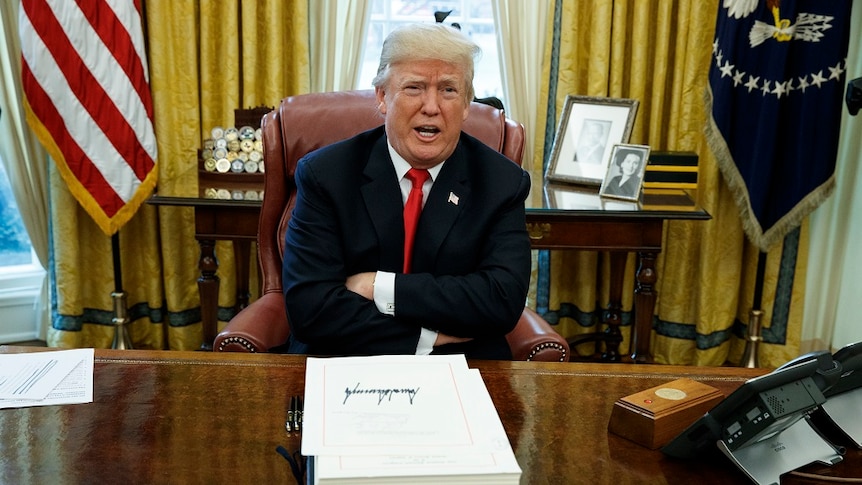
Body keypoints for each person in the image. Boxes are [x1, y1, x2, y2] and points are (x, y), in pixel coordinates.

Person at [281, 23, 531, 359]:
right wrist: (428, 336)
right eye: (414, 88)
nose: (431, 106)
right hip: (345, 362)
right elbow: (310, 311)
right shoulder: (326, 175)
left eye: (448, 90)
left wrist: (377, 286)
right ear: (383, 97)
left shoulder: (501, 183)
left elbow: (500, 301)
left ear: (467, 104)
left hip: (463, 367)